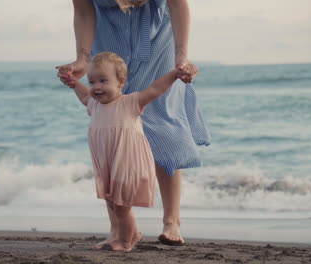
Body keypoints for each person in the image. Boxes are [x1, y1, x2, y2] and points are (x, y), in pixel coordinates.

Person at [56, 0, 210, 246]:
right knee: (113, 124)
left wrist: (181, 58)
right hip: (107, 33)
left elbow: (178, 4)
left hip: (157, 36)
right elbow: (83, 9)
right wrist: (82, 60)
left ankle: (172, 220)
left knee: (163, 119)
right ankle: (119, 228)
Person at [63, 51, 198, 251]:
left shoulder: (130, 103)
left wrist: (174, 74)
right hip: (107, 164)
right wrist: (73, 81)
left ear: (121, 82)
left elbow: (155, 89)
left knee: (121, 205)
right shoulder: (94, 104)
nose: (96, 87)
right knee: (112, 202)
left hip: (127, 163)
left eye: (103, 81)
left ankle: (125, 242)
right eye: (92, 82)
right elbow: (83, 94)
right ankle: (131, 233)